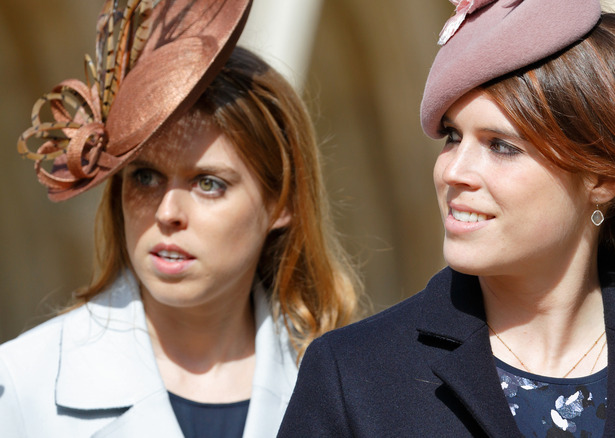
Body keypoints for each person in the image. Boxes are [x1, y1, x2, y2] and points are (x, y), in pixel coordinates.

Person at [278, 0, 615, 436]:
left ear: (602, 180)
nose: (454, 171)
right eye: (452, 137)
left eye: (501, 146)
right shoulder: (355, 375)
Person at [0, 1, 359, 436]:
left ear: (281, 202)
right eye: (145, 177)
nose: (168, 213)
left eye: (208, 184)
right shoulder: (22, 385)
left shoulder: (353, 390)